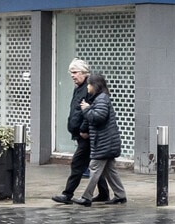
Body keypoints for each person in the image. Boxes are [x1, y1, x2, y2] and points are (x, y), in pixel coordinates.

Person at [75, 72, 127, 206]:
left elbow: (99, 117)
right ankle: (120, 196)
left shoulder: (102, 99)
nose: (87, 88)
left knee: (94, 168)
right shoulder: (99, 98)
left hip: (104, 142)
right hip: (106, 142)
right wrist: (84, 128)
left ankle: (86, 197)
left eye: (89, 85)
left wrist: (86, 109)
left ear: (95, 86)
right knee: (110, 170)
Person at [50, 60, 91, 204]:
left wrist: (83, 129)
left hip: (85, 135)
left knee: (77, 164)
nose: (72, 76)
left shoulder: (88, 88)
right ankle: (105, 193)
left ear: (83, 73)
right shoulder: (78, 88)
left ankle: (67, 194)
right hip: (80, 133)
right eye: (71, 73)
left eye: (74, 72)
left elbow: (88, 111)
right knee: (97, 166)